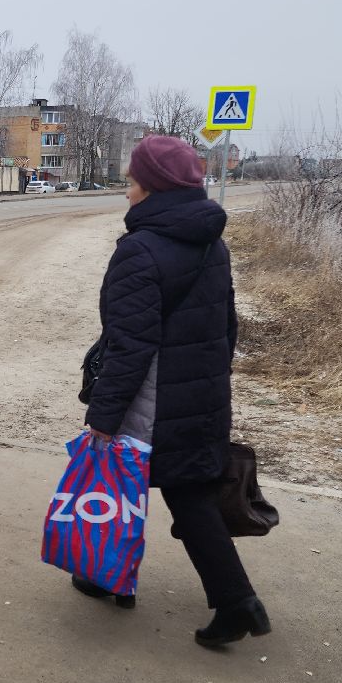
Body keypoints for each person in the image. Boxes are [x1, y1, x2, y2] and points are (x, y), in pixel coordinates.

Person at [74, 133, 270, 648]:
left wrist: (103, 414)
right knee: (189, 495)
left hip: (151, 400)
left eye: (134, 181)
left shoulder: (140, 250)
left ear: (154, 187)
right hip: (199, 393)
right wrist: (210, 383)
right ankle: (233, 601)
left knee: (115, 487)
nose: (126, 192)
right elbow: (227, 327)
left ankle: (114, 578)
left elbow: (129, 346)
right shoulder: (211, 242)